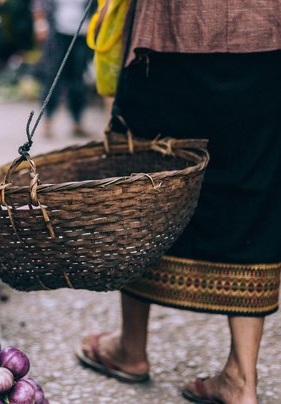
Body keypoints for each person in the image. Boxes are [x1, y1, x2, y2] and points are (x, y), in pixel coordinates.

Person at [76, 1, 281, 403]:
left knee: (143, 180)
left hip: (172, 33)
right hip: (263, 32)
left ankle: (131, 348)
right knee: (250, 186)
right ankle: (241, 376)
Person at [32, 0, 94, 138]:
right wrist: (40, 24)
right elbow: (39, 4)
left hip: (81, 34)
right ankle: (47, 120)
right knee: (52, 77)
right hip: (56, 34)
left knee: (78, 79)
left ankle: (77, 121)